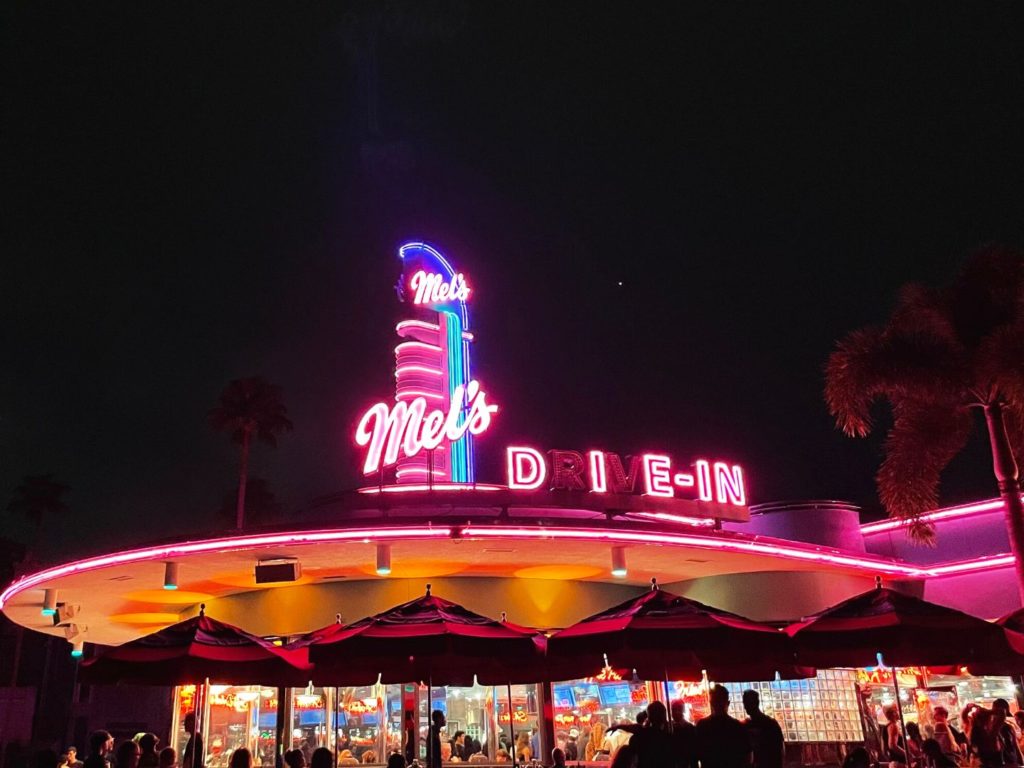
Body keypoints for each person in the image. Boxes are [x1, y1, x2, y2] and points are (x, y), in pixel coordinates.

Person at [695, 685, 752, 768]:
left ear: (710, 702)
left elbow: (696, 755)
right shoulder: (737, 727)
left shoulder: (702, 726)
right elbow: (747, 757)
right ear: (728, 703)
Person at [742, 690, 783, 768]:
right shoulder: (771, 723)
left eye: (747, 703)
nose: (745, 706)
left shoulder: (746, 726)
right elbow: (780, 750)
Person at [629, 701, 675, 768]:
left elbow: (633, 761)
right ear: (664, 717)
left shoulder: (637, 737)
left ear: (649, 717)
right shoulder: (669, 738)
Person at [669, 700, 698, 768]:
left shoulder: (690, 728)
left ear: (682, 710)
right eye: (673, 710)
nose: (675, 712)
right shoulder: (668, 727)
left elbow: (693, 752)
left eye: (678, 709)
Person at [994, 699, 1023, 766]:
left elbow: (1016, 747)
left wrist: (1021, 762)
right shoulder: (990, 727)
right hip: (1006, 763)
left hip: (1011, 762)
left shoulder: (1009, 727)